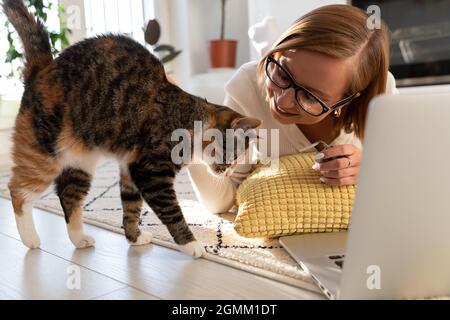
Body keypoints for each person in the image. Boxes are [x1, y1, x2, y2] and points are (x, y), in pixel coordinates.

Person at [187, 4, 399, 214]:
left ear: (348, 100)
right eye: (283, 74)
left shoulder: (379, 94)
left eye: (309, 95)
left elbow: (407, 177)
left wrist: (371, 169)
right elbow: (225, 199)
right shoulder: (247, 85)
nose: (282, 101)